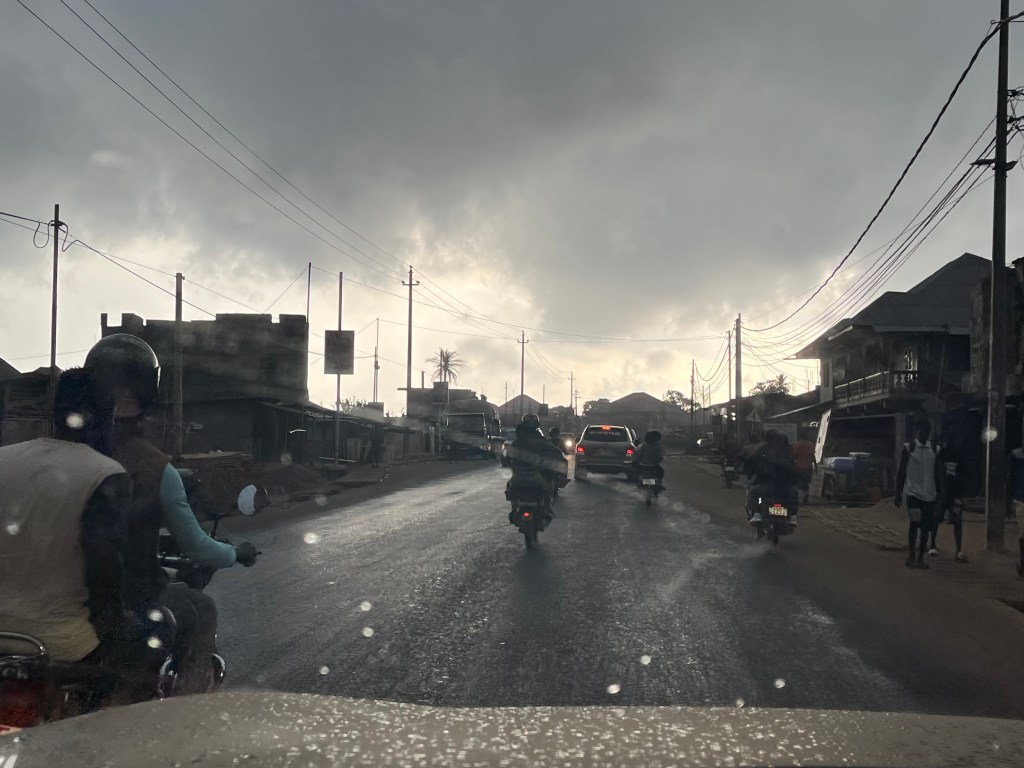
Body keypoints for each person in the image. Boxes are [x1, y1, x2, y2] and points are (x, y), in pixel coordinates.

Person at [84, 333, 259, 695]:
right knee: (201, 607)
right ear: (150, 392)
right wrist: (235, 553)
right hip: (124, 601)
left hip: (52, 597)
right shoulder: (155, 469)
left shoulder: (67, 449)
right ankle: (186, 706)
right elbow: (197, 547)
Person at [0, 368, 166, 704]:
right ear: (105, 418)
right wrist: (117, 626)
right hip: (63, 642)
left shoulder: (5, 457)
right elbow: (103, 570)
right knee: (156, 633)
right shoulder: (106, 473)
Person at [895, 420, 942, 570]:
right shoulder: (909, 448)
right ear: (917, 432)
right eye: (921, 430)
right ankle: (911, 556)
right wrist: (898, 492)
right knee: (914, 525)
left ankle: (920, 557)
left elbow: (938, 473)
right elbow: (901, 472)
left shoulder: (935, 450)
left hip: (930, 495)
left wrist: (940, 493)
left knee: (926, 528)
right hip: (913, 494)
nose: (923, 433)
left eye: (925, 431)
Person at [505, 414, 568, 523]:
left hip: (520, 479)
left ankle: (515, 510)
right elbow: (556, 453)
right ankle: (544, 510)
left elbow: (507, 457)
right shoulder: (540, 441)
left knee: (511, 489)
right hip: (535, 479)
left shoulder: (518, 442)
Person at [745, 430, 799, 527]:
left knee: (753, 493)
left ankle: (757, 514)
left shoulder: (764, 449)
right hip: (785, 487)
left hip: (767, 485)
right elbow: (794, 468)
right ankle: (793, 517)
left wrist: (750, 470)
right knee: (794, 496)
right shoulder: (789, 451)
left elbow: (750, 461)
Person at [929, 432, 967, 562]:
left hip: (953, 494)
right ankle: (934, 545)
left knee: (955, 521)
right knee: (937, 519)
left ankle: (957, 550)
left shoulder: (958, 456)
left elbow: (963, 476)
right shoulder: (942, 455)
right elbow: (936, 474)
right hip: (943, 494)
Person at [791, 429, 816, 504]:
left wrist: (792, 465)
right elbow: (813, 456)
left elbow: (794, 456)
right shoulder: (811, 444)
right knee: (806, 483)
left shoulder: (797, 444)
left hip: (798, 467)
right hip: (808, 467)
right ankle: (805, 498)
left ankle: (798, 498)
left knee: (798, 483)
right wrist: (816, 465)